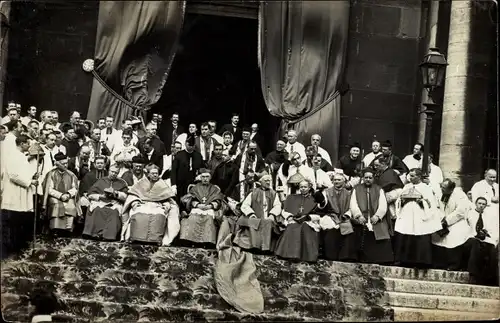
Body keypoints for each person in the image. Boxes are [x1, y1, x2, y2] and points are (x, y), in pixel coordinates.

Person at [121, 164, 180, 246]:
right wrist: (135, 202)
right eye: (153, 173)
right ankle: (135, 237)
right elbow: (133, 195)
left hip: (157, 205)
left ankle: (155, 239)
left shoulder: (162, 184)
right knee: (138, 214)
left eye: (156, 173)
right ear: (148, 174)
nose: (155, 175)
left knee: (159, 216)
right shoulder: (141, 183)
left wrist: (166, 205)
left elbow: (168, 199)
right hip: (143, 204)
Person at [394, 168, 441, 268]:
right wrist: (401, 201)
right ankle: (405, 261)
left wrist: (421, 202)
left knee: (420, 237)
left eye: (412, 176)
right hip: (407, 215)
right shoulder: (407, 186)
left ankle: (420, 262)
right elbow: (398, 201)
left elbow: (431, 203)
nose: (409, 178)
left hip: (420, 216)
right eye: (409, 175)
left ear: (419, 177)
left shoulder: (426, 188)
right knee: (406, 236)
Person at [1, 134, 38, 260]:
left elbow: (24, 172)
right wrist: (29, 182)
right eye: (28, 143)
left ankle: (19, 248)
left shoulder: (22, 157)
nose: (29, 146)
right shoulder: (12, 156)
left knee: (21, 221)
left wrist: (33, 176)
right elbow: (13, 175)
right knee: (13, 223)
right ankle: (10, 250)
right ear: (22, 144)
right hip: (14, 192)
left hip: (23, 192)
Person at [346, 168, 393, 265]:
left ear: (373, 178)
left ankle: (380, 259)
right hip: (362, 217)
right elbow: (353, 204)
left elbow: (383, 205)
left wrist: (377, 216)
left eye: (370, 178)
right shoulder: (357, 189)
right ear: (363, 178)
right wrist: (358, 216)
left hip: (376, 218)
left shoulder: (379, 189)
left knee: (381, 231)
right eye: (366, 177)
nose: (368, 179)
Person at [274, 179, 322, 262]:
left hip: (309, 221)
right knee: (292, 226)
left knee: (305, 227)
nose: (303, 188)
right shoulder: (292, 197)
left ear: (309, 187)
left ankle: (305, 256)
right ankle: (289, 254)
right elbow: (284, 211)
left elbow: (320, 214)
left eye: (305, 187)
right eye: (301, 187)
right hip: (293, 220)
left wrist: (308, 217)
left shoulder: (314, 199)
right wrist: (289, 216)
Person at [235, 171, 282, 252]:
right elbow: (245, 205)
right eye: (266, 180)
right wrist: (251, 214)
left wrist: (272, 214)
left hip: (268, 217)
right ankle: (255, 247)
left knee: (267, 222)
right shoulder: (253, 192)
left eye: (269, 180)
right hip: (256, 216)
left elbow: (277, 206)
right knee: (254, 222)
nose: (268, 182)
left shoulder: (273, 193)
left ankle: (266, 249)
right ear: (260, 181)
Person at [431, 178, 471, 270]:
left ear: (451, 189)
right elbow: (435, 207)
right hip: (441, 220)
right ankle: (440, 263)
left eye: (444, 188)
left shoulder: (460, 195)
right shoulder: (439, 193)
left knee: (455, 237)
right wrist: (441, 219)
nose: (442, 189)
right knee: (436, 238)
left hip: (456, 221)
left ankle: (454, 264)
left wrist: (447, 221)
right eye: (441, 187)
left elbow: (460, 211)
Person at [82, 164, 128, 241]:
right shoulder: (101, 181)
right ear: (109, 171)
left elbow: (125, 196)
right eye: (112, 172)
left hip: (114, 203)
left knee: (114, 212)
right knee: (97, 210)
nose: (113, 174)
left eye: (116, 173)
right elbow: (90, 194)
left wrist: (116, 194)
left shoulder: (122, 183)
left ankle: (108, 236)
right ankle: (94, 234)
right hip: (101, 202)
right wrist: (100, 196)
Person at [179, 168, 223, 246]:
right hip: (197, 208)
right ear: (200, 177)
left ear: (210, 178)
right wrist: (197, 205)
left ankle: (206, 242)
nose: (205, 179)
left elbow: (219, 200)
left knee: (208, 219)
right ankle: (191, 241)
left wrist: (211, 205)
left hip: (209, 209)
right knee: (193, 218)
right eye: (203, 177)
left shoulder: (215, 188)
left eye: (207, 177)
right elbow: (188, 199)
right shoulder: (195, 187)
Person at [41, 152, 82, 236]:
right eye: (63, 164)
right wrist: (60, 195)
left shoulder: (71, 175)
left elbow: (75, 188)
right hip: (54, 197)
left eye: (66, 163)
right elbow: (48, 189)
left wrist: (68, 194)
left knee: (71, 205)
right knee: (57, 205)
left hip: (67, 196)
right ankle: (55, 229)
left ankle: (68, 229)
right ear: (57, 164)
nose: (65, 165)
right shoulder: (51, 174)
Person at [317, 172, 353, 261]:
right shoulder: (326, 192)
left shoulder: (348, 193)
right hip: (330, 216)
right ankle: (330, 255)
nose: (336, 181)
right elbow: (322, 205)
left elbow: (351, 207)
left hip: (344, 216)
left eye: (339, 180)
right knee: (330, 230)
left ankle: (344, 256)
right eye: (335, 180)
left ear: (344, 182)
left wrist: (347, 215)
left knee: (347, 229)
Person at [463, 197, 499, 286]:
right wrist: (475, 234)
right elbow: (465, 228)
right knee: (476, 244)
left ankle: (491, 278)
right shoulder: (469, 214)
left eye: (483, 204)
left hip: (484, 239)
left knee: (492, 248)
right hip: (470, 238)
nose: (481, 206)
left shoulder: (488, 216)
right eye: (479, 203)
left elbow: (492, 230)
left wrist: (487, 233)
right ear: (476, 203)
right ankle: (473, 275)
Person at [373, 157, 404, 238]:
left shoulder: (389, 172)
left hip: (395, 192)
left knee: (379, 202)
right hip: (389, 192)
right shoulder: (383, 171)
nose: (375, 167)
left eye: (377, 165)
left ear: (383, 164)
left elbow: (386, 185)